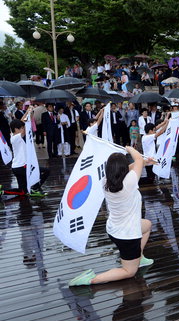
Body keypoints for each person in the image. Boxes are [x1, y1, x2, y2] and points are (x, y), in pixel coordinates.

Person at [68, 146, 154, 286]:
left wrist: (144, 162)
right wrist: (130, 149)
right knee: (129, 272)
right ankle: (91, 279)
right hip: (127, 235)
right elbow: (137, 159)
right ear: (123, 169)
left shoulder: (106, 181)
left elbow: (134, 166)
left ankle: (140, 256)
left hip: (114, 229)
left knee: (147, 225)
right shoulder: (129, 183)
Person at [4, 110, 49, 197]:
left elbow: (22, 122)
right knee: (45, 172)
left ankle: (2, 192)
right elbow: (25, 127)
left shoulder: (14, 135)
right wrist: (29, 116)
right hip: (22, 167)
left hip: (17, 167)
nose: (23, 129)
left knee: (22, 191)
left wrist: (28, 113)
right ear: (16, 129)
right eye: (21, 128)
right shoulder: (15, 138)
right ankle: (35, 188)